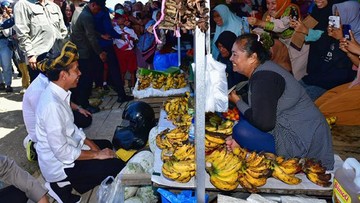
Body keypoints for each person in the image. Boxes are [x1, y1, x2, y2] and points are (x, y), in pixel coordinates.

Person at [226, 33, 334, 170]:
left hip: (303, 140)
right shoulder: (264, 69)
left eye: (235, 54)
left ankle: (285, 160)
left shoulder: (264, 78)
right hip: (300, 130)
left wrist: (237, 101)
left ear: (253, 57)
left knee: (241, 130)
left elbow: (264, 123)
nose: (231, 58)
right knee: (243, 122)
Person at [35, 41, 125, 203]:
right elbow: (62, 152)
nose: (80, 73)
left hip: (68, 151)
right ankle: (59, 185)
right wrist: (97, 155)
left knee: (105, 145)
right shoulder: (52, 106)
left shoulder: (59, 93)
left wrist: (95, 148)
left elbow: (73, 130)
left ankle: (80, 180)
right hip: (60, 165)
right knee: (116, 166)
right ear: (63, 75)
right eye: (76, 70)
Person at [290, 0, 352, 100]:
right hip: (317, 71)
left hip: (330, 80)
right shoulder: (316, 10)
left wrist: (307, 31)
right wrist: (302, 28)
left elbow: (341, 63)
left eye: (337, 17)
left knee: (298, 99)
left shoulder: (342, 16)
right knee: (290, 92)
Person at [247, 0, 309, 81]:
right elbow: (264, 29)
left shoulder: (292, 9)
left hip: (297, 45)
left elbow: (280, 26)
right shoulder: (268, 13)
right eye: (268, 3)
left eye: (273, 3)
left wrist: (259, 22)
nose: (270, 6)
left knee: (297, 76)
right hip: (283, 44)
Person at [13, 0, 68, 82]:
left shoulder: (54, 6)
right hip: (38, 58)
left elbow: (63, 30)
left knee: (59, 89)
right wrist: (30, 54)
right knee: (41, 91)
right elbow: (22, 33)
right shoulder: (22, 4)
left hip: (58, 55)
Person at [315, 28, 360, 125]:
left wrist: (358, 50)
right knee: (317, 105)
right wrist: (350, 53)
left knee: (325, 112)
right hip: (356, 83)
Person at [70, 0, 108, 113]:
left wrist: (101, 35)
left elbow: (87, 30)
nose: (97, 12)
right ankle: (84, 105)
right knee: (86, 80)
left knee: (80, 79)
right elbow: (90, 36)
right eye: (98, 9)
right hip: (84, 52)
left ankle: (78, 102)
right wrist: (100, 52)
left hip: (78, 51)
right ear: (93, 5)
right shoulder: (87, 16)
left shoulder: (79, 11)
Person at [113, 13, 138, 88]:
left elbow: (136, 39)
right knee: (122, 70)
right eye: (117, 19)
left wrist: (131, 39)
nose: (118, 20)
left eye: (120, 18)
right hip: (120, 52)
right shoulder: (114, 30)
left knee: (132, 70)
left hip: (130, 51)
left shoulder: (130, 30)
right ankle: (122, 87)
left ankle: (133, 87)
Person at [0, 1, 14, 92]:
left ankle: (8, 84)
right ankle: (1, 83)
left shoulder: (9, 17)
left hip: (4, 42)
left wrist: (5, 20)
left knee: (6, 64)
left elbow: (7, 33)